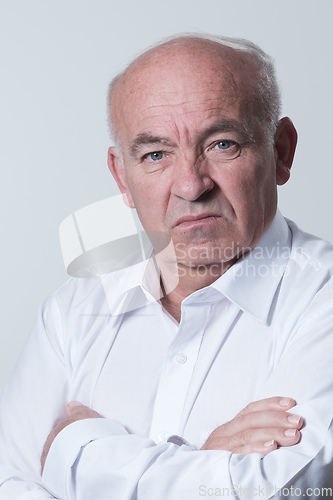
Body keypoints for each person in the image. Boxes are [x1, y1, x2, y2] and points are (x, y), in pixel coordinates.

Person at [1, 33, 333, 499]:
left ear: (281, 151)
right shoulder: (71, 313)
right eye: (155, 154)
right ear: (122, 176)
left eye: (222, 144)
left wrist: (77, 449)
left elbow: (280, 491)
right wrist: (206, 463)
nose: (190, 185)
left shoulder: (324, 302)